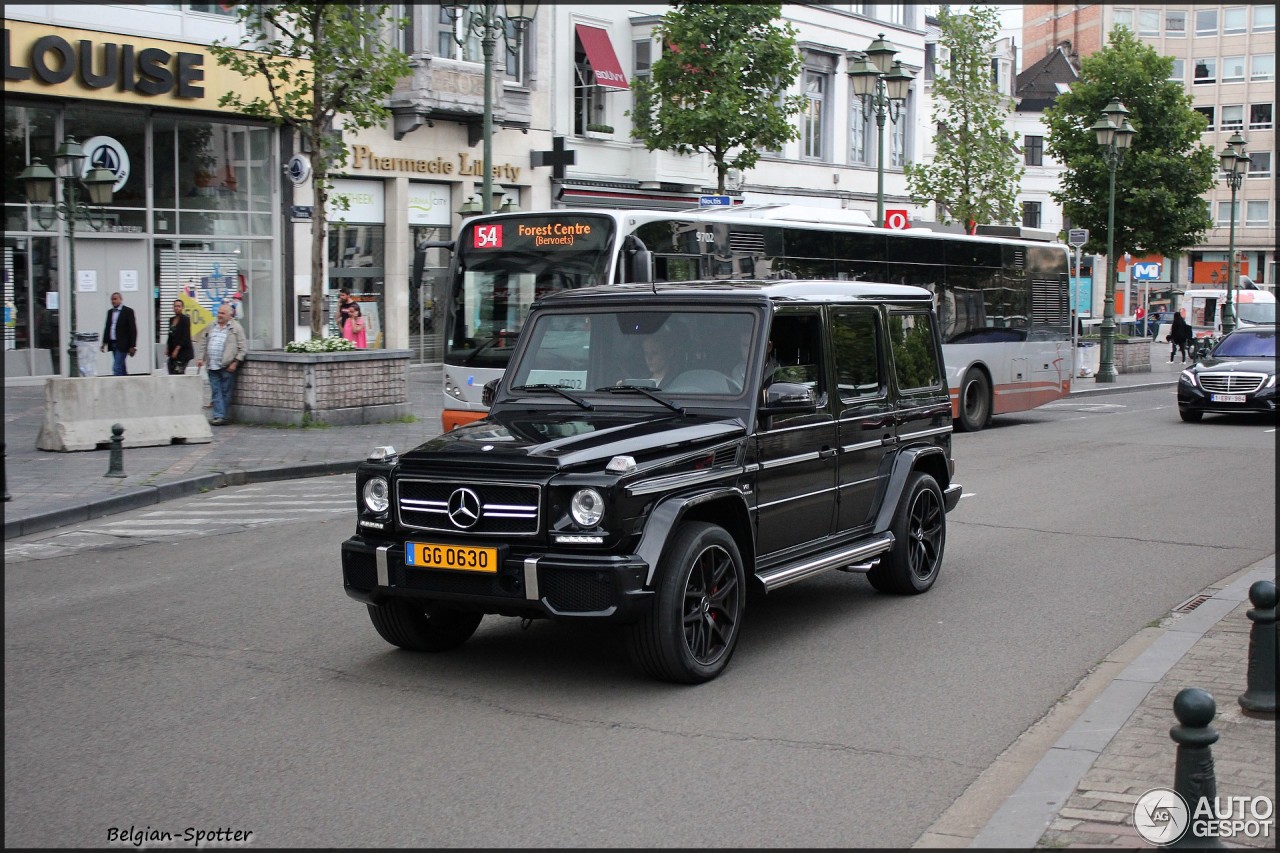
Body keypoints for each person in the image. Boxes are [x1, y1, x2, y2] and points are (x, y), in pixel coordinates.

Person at [196, 303, 248, 426]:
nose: (219, 315)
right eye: (218, 313)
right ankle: (219, 416)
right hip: (212, 364)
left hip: (227, 365)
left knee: (225, 391)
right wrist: (200, 358)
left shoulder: (236, 328)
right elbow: (204, 342)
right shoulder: (211, 326)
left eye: (222, 313)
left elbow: (243, 348)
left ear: (230, 315)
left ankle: (221, 416)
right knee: (215, 390)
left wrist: (235, 362)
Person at [100, 291, 137, 376]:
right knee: (121, 366)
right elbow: (108, 327)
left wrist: (132, 345)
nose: (113, 301)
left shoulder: (128, 311)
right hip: (113, 342)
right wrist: (104, 342)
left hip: (123, 344)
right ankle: (125, 382)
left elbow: (132, 329)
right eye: (112, 299)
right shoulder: (110, 312)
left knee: (116, 367)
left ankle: (117, 386)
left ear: (121, 299)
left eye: (115, 299)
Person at [165, 299, 194, 375]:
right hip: (173, 351)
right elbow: (170, 335)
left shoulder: (185, 319)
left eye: (179, 306)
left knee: (178, 371)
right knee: (170, 367)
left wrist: (177, 349)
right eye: (175, 306)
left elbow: (185, 336)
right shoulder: (171, 320)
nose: (176, 308)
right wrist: (168, 348)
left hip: (183, 351)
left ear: (182, 308)